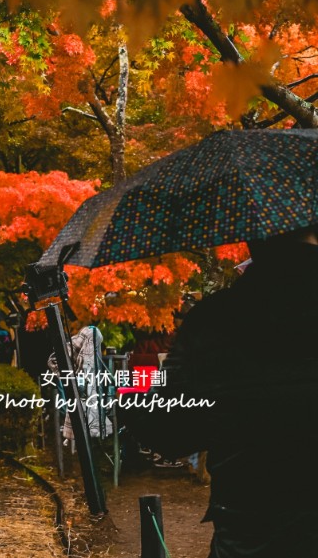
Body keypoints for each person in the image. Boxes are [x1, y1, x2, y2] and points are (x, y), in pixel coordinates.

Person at [127, 226, 318, 557]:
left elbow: (167, 431)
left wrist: (132, 397)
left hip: (252, 530)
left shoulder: (218, 317)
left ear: (252, 238)